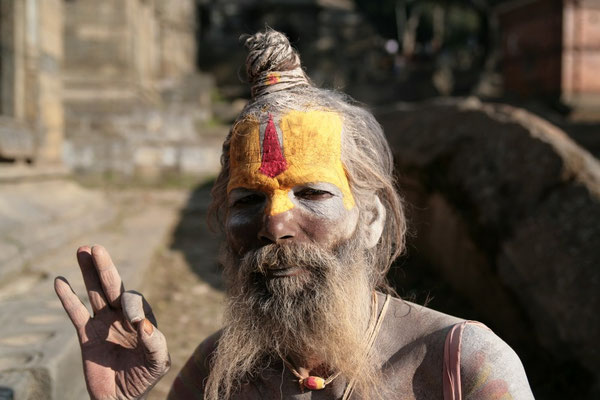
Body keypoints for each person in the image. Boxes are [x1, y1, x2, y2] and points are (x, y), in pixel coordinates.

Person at [54, 29, 534, 400]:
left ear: (371, 221)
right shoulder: (212, 373)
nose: (275, 224)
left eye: (311, 193)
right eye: (247, 201)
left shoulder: (461, 365)